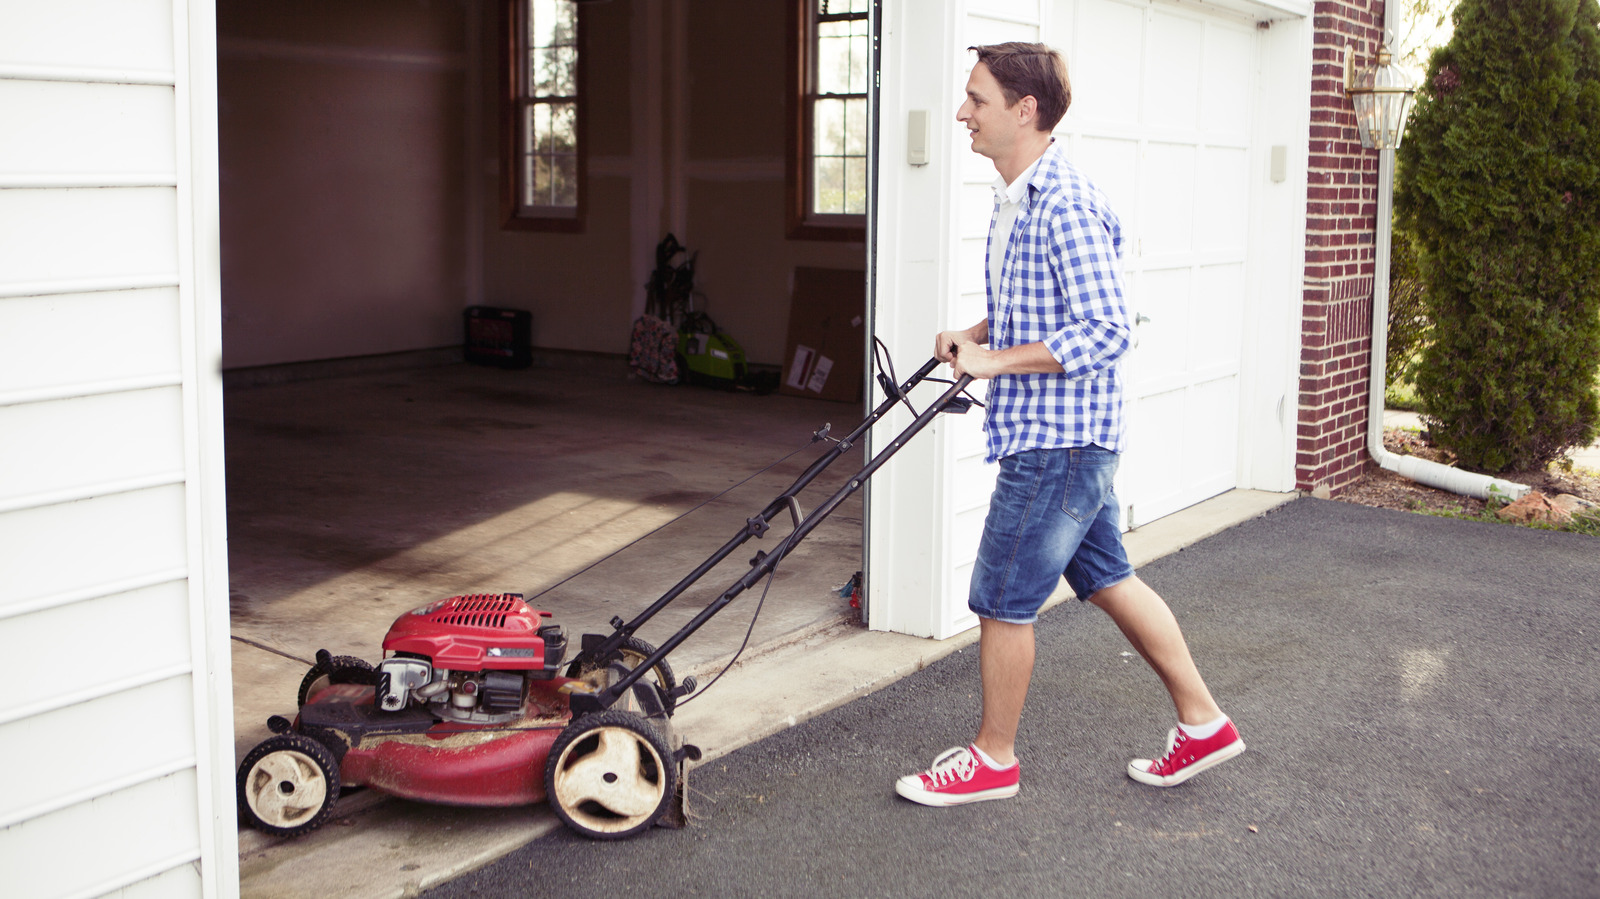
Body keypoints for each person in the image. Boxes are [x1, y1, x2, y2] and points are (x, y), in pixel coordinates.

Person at [894, 42, 1244, 807]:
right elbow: (1039, 309)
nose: (962, 113)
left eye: (976, 100)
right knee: (1109, 578)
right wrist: (978, 334)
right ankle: (1205, 720)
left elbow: (1107, 327)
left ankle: (994, 759)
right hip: (1064, 439)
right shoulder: (1018, 196)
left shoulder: (1065, 204)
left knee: (1001, 598)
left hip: (1058, 443)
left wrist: (995, 364)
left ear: (1026, 111)